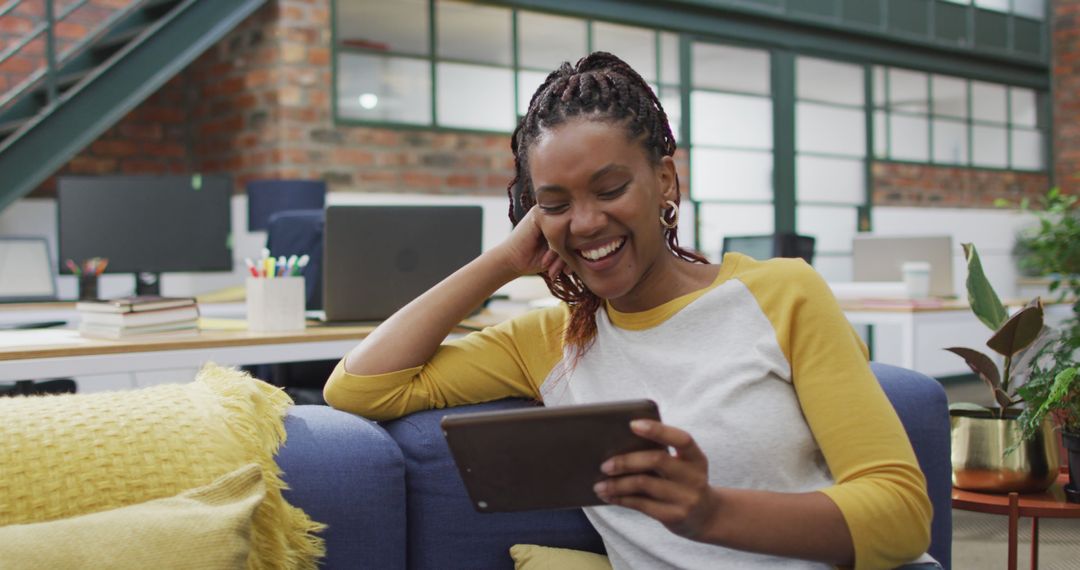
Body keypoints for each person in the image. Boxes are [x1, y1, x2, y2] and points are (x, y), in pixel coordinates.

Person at [324, 52, 933, 569]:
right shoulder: (550, 340)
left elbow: (903, 512)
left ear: (666, 181)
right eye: (555, 204)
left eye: (611, 190)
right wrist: (504, 261)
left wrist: (713, 513)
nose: (586, 222)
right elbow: (358, 388)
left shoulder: (783, 294)